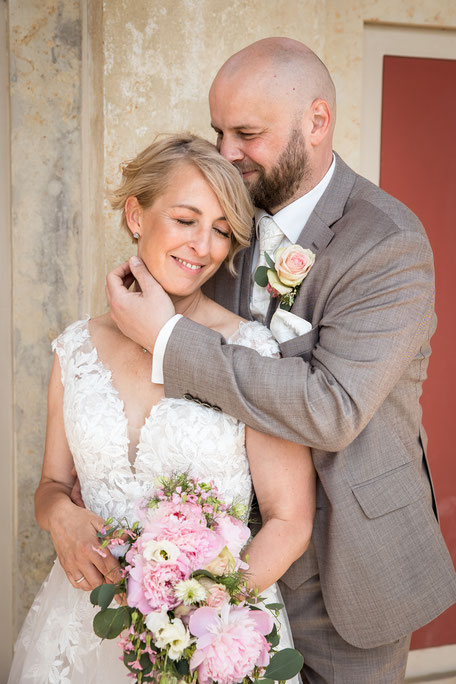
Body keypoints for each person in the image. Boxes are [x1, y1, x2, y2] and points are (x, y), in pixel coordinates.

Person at [106, 39, 456, 683]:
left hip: (349, 569)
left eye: (247, 133)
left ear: (316, 123)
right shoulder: (224, 221)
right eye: (218, 131)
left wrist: (168, 340)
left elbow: (333, 408)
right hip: (228, 556)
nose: (226, 152)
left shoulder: (387, 242)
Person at [8, 135, 316, 683]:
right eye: (185, 219)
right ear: (136, 214)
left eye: (221, 229)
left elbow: (290, 522)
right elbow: (51, 485)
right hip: (83, 627)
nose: (203, 246)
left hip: (207, 638)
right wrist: (62, 518)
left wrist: (198, 615)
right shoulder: (76, 347)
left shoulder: (249, 351)